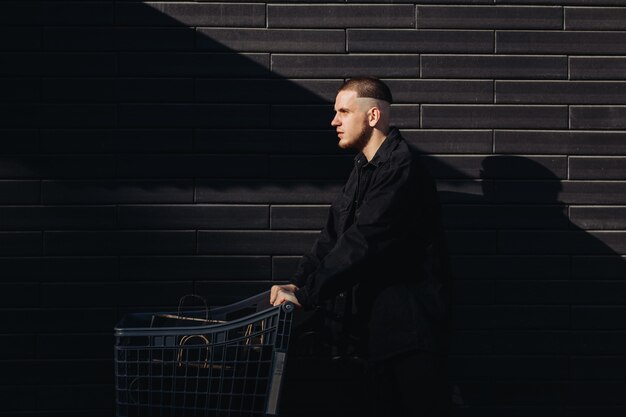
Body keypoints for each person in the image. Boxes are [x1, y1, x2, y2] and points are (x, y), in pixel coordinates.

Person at [270, 77, 452, 417]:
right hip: (375, 335)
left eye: (343, 111)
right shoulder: (362, 170)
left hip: (409, 337)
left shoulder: (402, 169)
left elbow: (365, 239)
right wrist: (298, 282)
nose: (334, 121)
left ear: (372, 116)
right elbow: (332, 237)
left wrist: (309, 295)